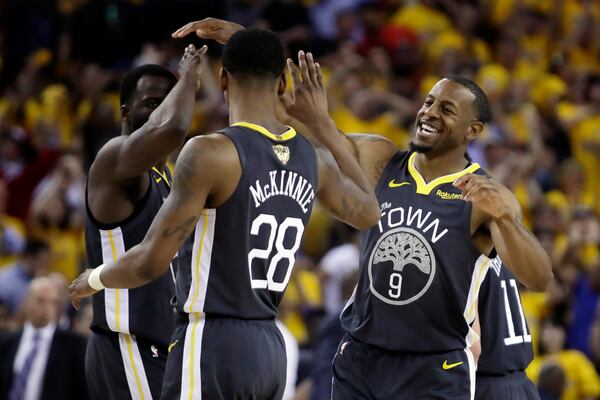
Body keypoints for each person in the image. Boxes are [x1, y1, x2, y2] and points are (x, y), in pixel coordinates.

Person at [172, 18, 554, 399]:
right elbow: (284, 113)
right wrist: (245, 42)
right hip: (361, 358)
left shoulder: (484, 195)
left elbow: (538, 278)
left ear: (473, 130)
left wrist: (505, 216)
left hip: (434, 367)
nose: (429, 113)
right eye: (428, 101)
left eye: (447, 109)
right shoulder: (381, 159)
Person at [69, 28, 380, 399]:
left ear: (222, 78)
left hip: (211, 342)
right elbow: (369, 213)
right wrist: (324, 125)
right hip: (270, 346)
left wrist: (95, 278)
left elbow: (150, 263)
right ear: (282, 82)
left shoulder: (210, 152)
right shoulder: (313, 158)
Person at [82, 44, 207, 400]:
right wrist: (190, 79)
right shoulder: (114, 158)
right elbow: (173, 127)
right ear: (126, 111)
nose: (164, 110)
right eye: (153, 103)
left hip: (159, 347)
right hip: (129, 343)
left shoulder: (165, 178)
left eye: (170, 100)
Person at [0, 277, 89, 400]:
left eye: (52, 302)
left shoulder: (73, 344)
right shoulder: (7, 342)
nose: (46, 307)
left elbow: (82, 390)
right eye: (40, 301)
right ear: (26, 302)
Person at [475, 256, 539, 399]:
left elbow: (474, 347)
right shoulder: (502, 251)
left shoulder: (467, 256)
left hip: (488, 387)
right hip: (523, 385)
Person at [0, 239, 50, 315]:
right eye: (43, 261)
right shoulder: (5, 280)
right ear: (29, 257)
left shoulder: (43, 279)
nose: (45, 266)